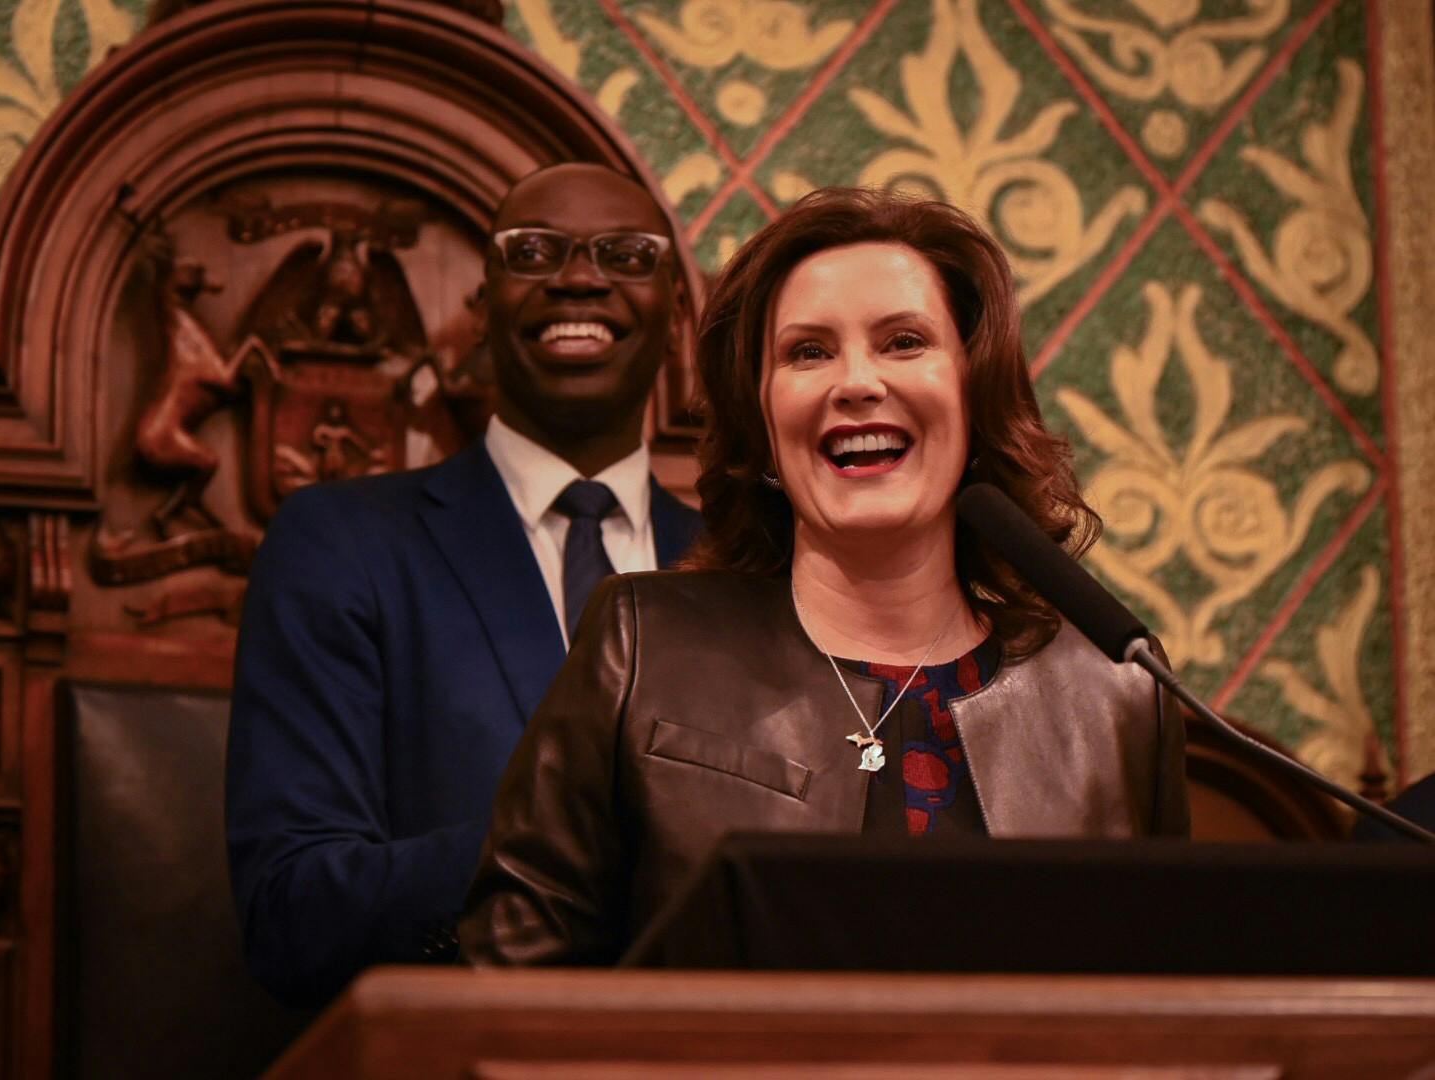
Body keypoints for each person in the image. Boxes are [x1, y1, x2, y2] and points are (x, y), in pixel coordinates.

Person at [458, 187, 1190, 966]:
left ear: (972, 393)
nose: (856, 383)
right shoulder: (641, 645)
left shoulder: (1115, 692)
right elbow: (511, 982)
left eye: (903, 342)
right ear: (761, 422)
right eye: (808, 352)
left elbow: (1171, 1008)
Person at [226, 163, 704, 1005]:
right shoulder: (340, 544)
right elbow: (291, 912)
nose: (580, 277)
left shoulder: (744, 569)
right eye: (533, 252)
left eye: (628, 255)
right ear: (481, 311)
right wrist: (567, 840)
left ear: (675, 319)